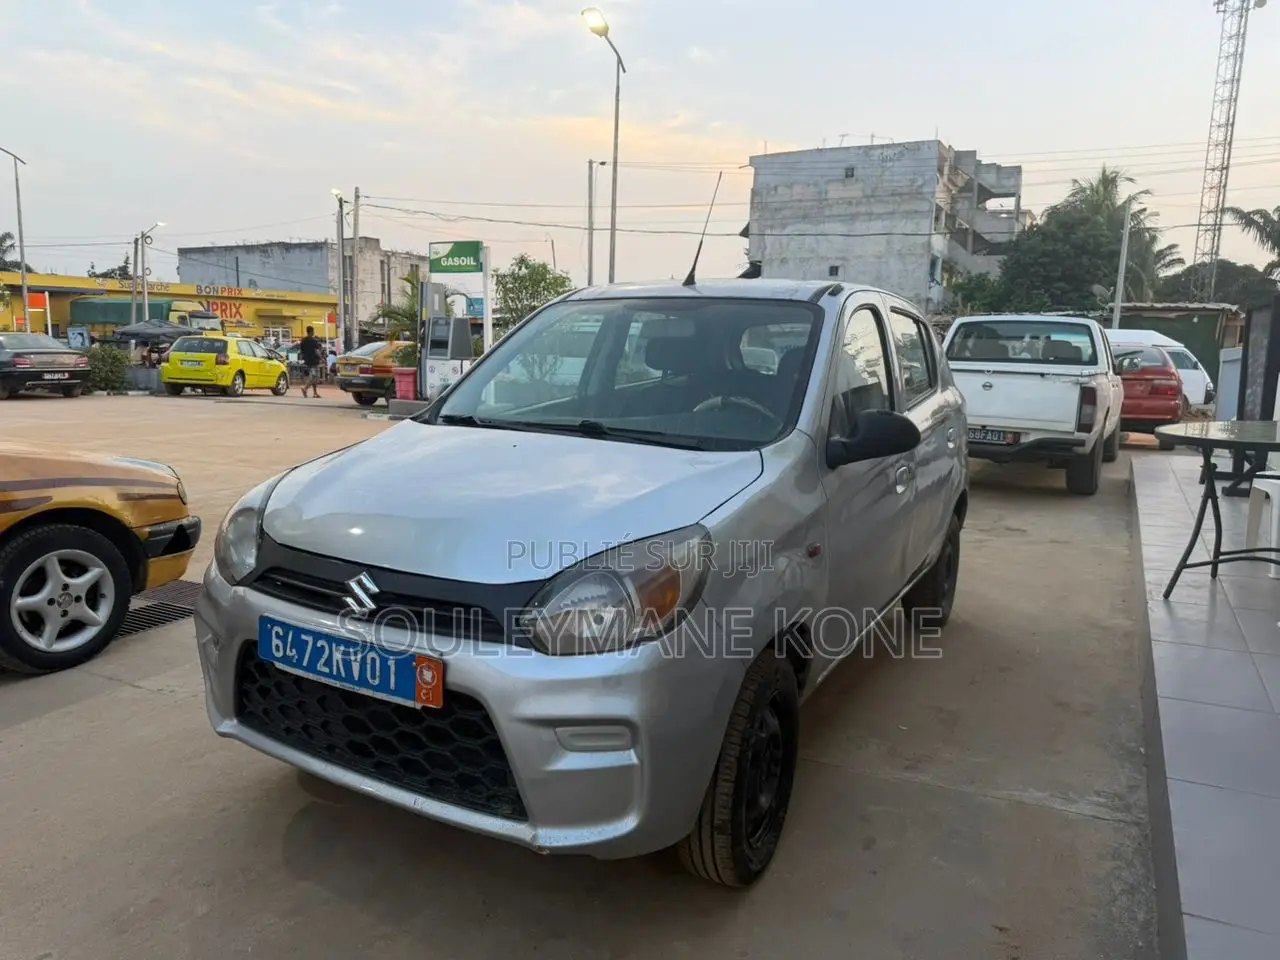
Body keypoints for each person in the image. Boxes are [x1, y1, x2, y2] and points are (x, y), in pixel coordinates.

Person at [296, 326, 325, 398]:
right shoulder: (313, 340)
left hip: (307, 361)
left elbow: (302, 351)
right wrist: (321, 358)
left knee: (312, 376)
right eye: (313, 331)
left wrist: (305, 358)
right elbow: (316, 351)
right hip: (314, 361)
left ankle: (315, 393)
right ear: (311, 331)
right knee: (315, 376)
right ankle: (305, 388)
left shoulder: (303, 340)